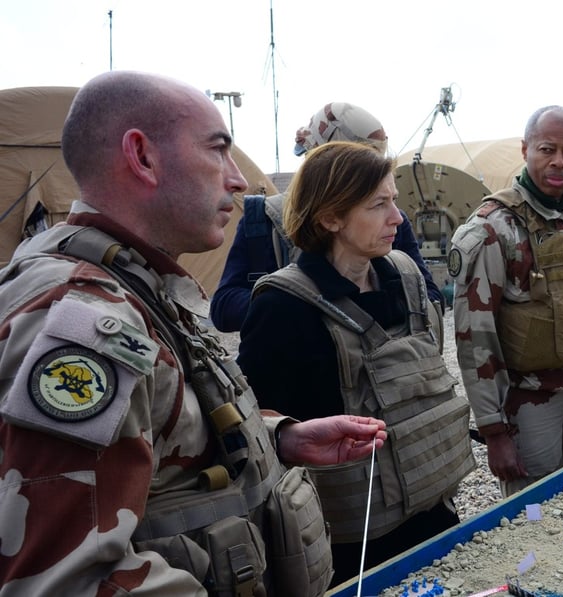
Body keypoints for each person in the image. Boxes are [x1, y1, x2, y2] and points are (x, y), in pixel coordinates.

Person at [0, 71, 387, 596]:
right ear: (142, 156)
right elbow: (70, 578)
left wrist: (279, 437)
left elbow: (165, 431)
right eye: (217, 150)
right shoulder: (85, 320)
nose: (238, 179)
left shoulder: (139, 283)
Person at [236, 141, 475, 585]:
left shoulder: (405, 277)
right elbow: (254, 427)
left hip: (435, 511)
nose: (397, 218)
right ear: (330, 218)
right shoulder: (283, 308)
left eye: (395, 201)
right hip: (352, 541)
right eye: (378, 205)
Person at [448, 106, 563, 496]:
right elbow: (475, 336)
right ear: (525, 148)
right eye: (547, 149)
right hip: (531, 404)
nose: (559, 161)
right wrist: (494, 430)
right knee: (535, 517)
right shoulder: (495, 226)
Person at [209, 101, 441, 333]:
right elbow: (224, 307)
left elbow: (427, 293)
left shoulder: (389, 220)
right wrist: (292, 306)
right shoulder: (264, 217)